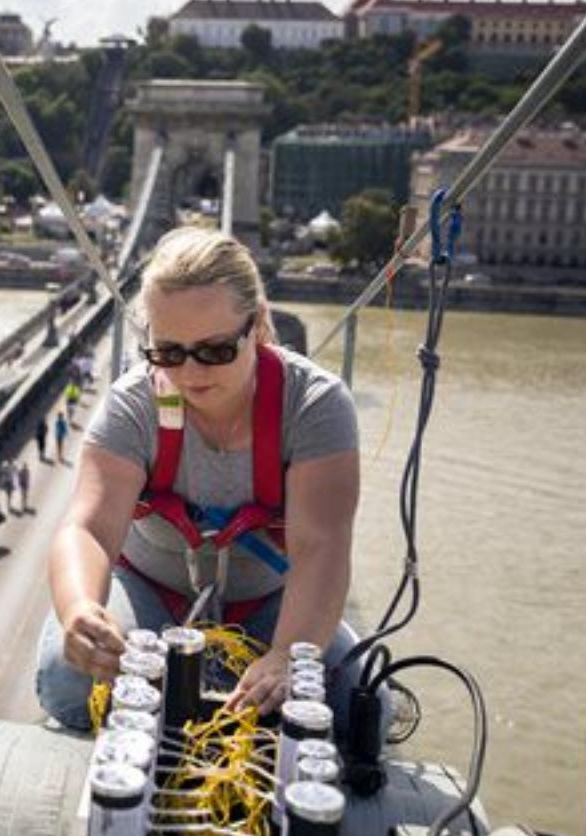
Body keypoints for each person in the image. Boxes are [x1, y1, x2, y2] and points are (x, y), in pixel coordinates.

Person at [36, 226, 384, 744]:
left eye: (216, 351)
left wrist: (287, 653)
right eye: (168, 352)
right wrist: (80, 607)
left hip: (270, 600)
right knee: (70, 682)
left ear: (259, 325)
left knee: (353, 698)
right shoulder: (135, 403)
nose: (191, 373)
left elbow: (322, 546)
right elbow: (87, 527)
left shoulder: (314, 405)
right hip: (153, 589)